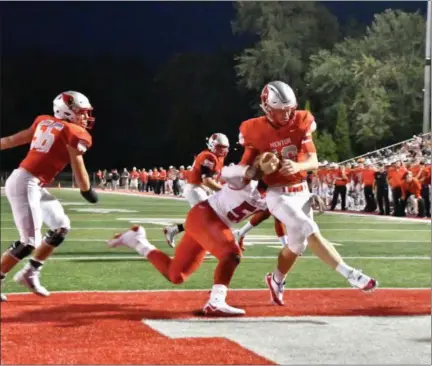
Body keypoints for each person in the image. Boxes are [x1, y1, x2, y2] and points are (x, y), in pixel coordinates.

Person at [237, 80, 377, 305]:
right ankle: (350, 274)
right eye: (281, 110)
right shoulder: (253, 129)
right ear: (267, 108)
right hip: (277, 193)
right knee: (308, 228)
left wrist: (298, 166)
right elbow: (245, 170)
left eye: (290, 109)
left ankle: (276, 279)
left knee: (297, 245)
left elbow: (313, 160)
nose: (287, 115)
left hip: (301, 191)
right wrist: (260, 168)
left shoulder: (301, 121)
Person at [0, 91, 98, 302]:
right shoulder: (73, 131)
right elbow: (77, 163)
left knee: (61, 227)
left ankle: (30, 272)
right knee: (28, 242)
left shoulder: (43, 121)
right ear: (67, 111)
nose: (85, 118)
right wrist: (86, 189)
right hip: (25, 182)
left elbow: (11, 140)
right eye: (81, 113)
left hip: (32, 183)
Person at [163, 133, 229, 247]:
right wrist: (224, 190)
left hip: (199, 188)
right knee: (208, 218)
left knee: (202, 218)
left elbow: (207, 179)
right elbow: (206, 181)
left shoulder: (217, 157)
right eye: (220, 147)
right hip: (194, 189)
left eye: (225, 147)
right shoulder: (209, 156)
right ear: (212, 145)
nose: (223, 150)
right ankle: (202, 245)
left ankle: (173, 230)